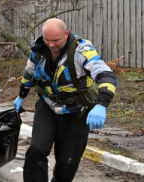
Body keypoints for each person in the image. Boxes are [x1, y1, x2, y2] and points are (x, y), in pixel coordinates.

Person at [13, 18, 118, 182]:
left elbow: (107, 76)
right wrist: (21, 96)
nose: (51, 45)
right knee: (36, 150)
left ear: (66, 34)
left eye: (55, 40)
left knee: (67, 161)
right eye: (47, 40)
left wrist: (101, 104)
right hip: (47, 106)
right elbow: (29, 72)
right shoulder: (40, 47)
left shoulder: (82, 51)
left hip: (75, 111)